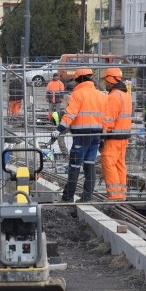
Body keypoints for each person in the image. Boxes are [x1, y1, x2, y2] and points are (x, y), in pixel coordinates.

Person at [50, 68, 106, 202]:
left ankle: (68, 197)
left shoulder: (77, 94)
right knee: (90, 165)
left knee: (74, 166)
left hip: (81, 135)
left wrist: (59, 129)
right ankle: (86, 198)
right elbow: (105, 117)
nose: (74, 83)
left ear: (80, 79)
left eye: (75, 80)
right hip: (96, 136)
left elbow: (70, 115)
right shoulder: (101, 95)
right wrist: (103, 136)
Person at [101, 68, 133, 201]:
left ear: (110, 80)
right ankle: (121, 194)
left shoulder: (114, 96)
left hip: (113, 137)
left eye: (105, 81)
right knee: (120, 165)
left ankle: (114, 196)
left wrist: (102, 135)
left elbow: (109, 119)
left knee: (109, 164)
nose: (105, 84)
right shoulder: (125, 94)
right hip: (124, 136)